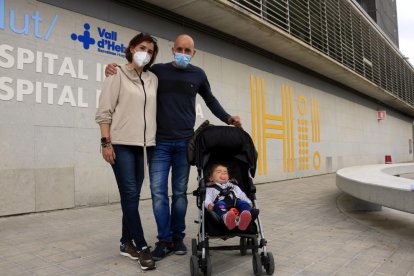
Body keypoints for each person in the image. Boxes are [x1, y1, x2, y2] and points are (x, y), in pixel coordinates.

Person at [105, 34, 242, 261]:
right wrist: (111, 67)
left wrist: (228, 118)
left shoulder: (198, 75)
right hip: (158, 143)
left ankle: (177, 238)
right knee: (158, 195)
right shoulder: (157, 71)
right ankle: (164, 239)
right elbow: (132, 72)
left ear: (194, 53)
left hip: (184, 144)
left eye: (188, 51)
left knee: (179, 194)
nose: (183, 53)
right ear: (172, 49)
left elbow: (210, 100)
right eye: (179, 49)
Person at [95, 32, 159, 270]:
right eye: (142, 47)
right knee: (130, 194)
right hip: (121, 144)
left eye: (150, 51)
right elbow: (104, 111)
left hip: (145, 147)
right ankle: (142, 246)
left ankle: (125, 242)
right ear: (131, 48)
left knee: (131, 196)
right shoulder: (117, 74)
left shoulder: (153, 78)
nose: (146, 53)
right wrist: (105, 142)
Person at [205, 164, 259, 231]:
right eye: (219, 172)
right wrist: (209, 204)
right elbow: (206, 198)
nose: (223, 173)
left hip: (236, 202)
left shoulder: (233, 186)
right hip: (222, 204)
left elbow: (241, 195)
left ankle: (244, 217)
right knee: (219, 205)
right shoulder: (210, 189)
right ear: (211, 178)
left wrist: (248, 202)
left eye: (225, 172)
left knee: (244, 203)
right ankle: (227, 218)